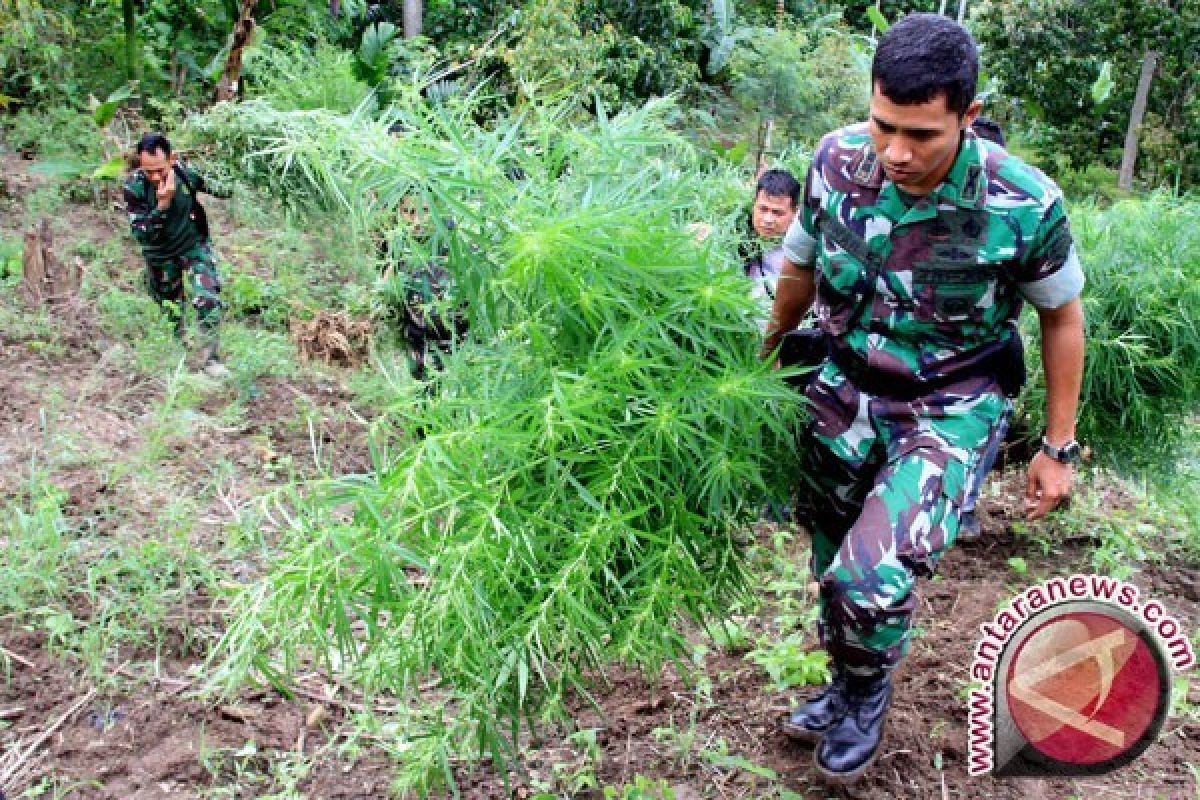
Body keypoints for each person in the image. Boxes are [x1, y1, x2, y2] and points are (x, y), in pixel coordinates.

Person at [763, 14, 1085, 783]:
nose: (896, 152)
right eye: (883, 126)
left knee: (868, 577)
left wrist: (1056, 446)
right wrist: (767, 354)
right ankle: (844, 681)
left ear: (967, 117)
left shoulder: (1021, 201)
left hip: (948, 405)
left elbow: (1062, 315)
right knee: (830, 557)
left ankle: (867, 693)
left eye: (921, 134)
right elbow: (800, 268)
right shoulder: (837, 161)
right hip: (841, 390)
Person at [123, 132, 226, 375]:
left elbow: (223, 188)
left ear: (172, 160)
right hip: (159, 255)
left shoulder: (185, 173)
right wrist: (162, 205)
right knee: (171, 310)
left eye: (160, 170)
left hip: (193, 246)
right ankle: (180, 358)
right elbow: (142, 236)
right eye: (149, 171)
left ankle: (210, 359)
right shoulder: (134, 187)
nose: (155, 177)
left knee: (208, 298)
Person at [741, 168, 801, 323]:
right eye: (763, 209)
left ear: (795, 212)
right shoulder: (738, 237)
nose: (767, 219)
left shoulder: (802, 250)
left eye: (777, 213)